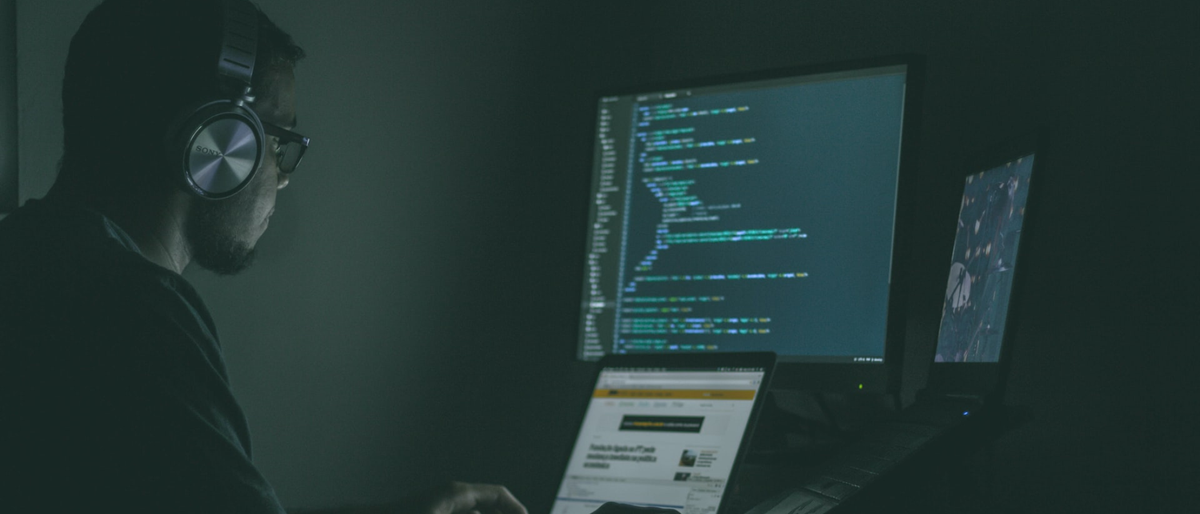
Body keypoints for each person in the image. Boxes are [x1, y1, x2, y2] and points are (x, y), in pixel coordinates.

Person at [0, 1, 525, 513]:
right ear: (217, 145)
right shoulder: (136, 312)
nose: (286, 175)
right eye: (277, 144)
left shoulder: (29, 259)